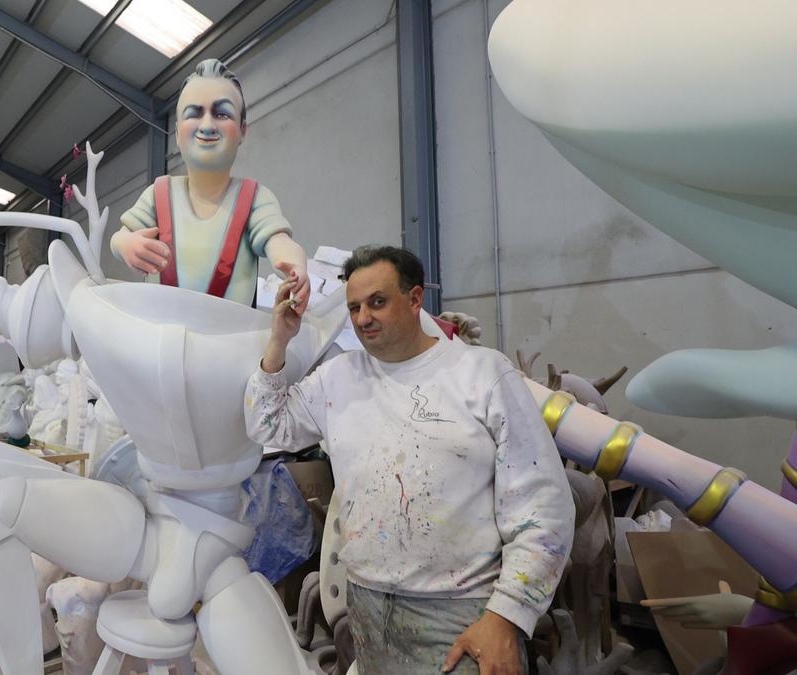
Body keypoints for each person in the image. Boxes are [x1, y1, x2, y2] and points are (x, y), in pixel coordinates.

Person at [244, 245, 574, 674]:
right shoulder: (339, 378)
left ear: (415, 298)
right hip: (366, 609)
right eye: (355, 307)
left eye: (377, 302)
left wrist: (507, 617)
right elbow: (267, 425)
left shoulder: (483, 375)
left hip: (463, 614)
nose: (363, 318)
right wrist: (279, 340)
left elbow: (543, 506)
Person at [111, 58, 311, 312]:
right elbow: (121, 236)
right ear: (177, 134)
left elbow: (278, 240)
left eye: (221, 113)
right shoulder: (157, 194)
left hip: (228, 340)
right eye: (194, 113)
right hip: (159, 333)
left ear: (242, 130)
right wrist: (125, 245)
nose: (206, 126)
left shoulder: (255, 198)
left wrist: (295, 266)